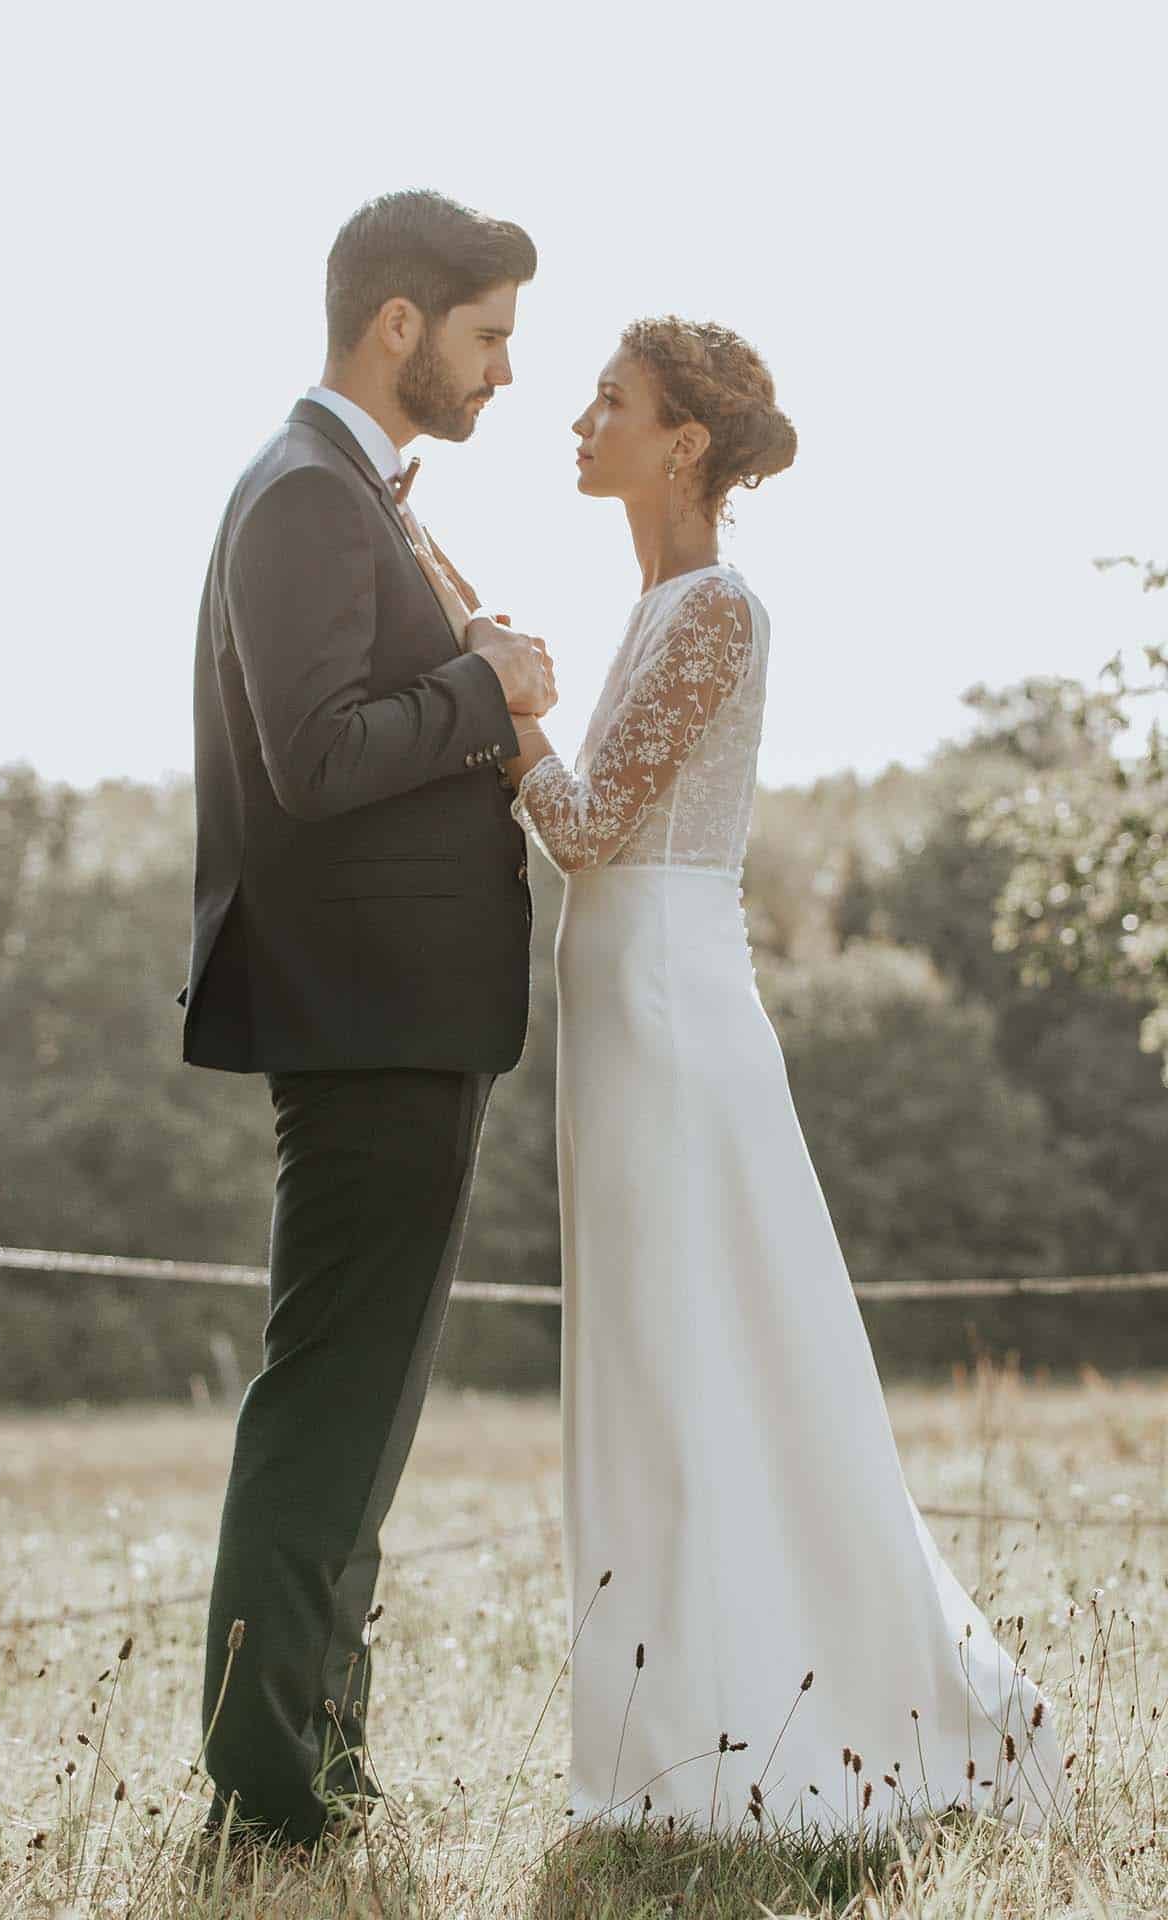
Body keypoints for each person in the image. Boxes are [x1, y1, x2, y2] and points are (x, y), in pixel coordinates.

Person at [415, 316, 1074, 1844]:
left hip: (670, 1012)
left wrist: (497, 700)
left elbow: (587, 828)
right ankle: (674, 1740)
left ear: (685, 444)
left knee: (703, 1345)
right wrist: (464, 613)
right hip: (623, 1011)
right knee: (650, 1351)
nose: (579, 419)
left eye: (611, 402)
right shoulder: (655, 607)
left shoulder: (717, 610)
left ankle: (773, 1733)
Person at [177, 187, 556, 1856]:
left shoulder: (344, 494)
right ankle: (273, 1791)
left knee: (362, 1409)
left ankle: (317, 1762)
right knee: (332, 1403)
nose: (502, 373)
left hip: (398, 1016)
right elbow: (315, 756)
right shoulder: (305, 498)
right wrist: (489, 687)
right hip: (365, 1020)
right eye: (488, 338)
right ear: (398, 323)